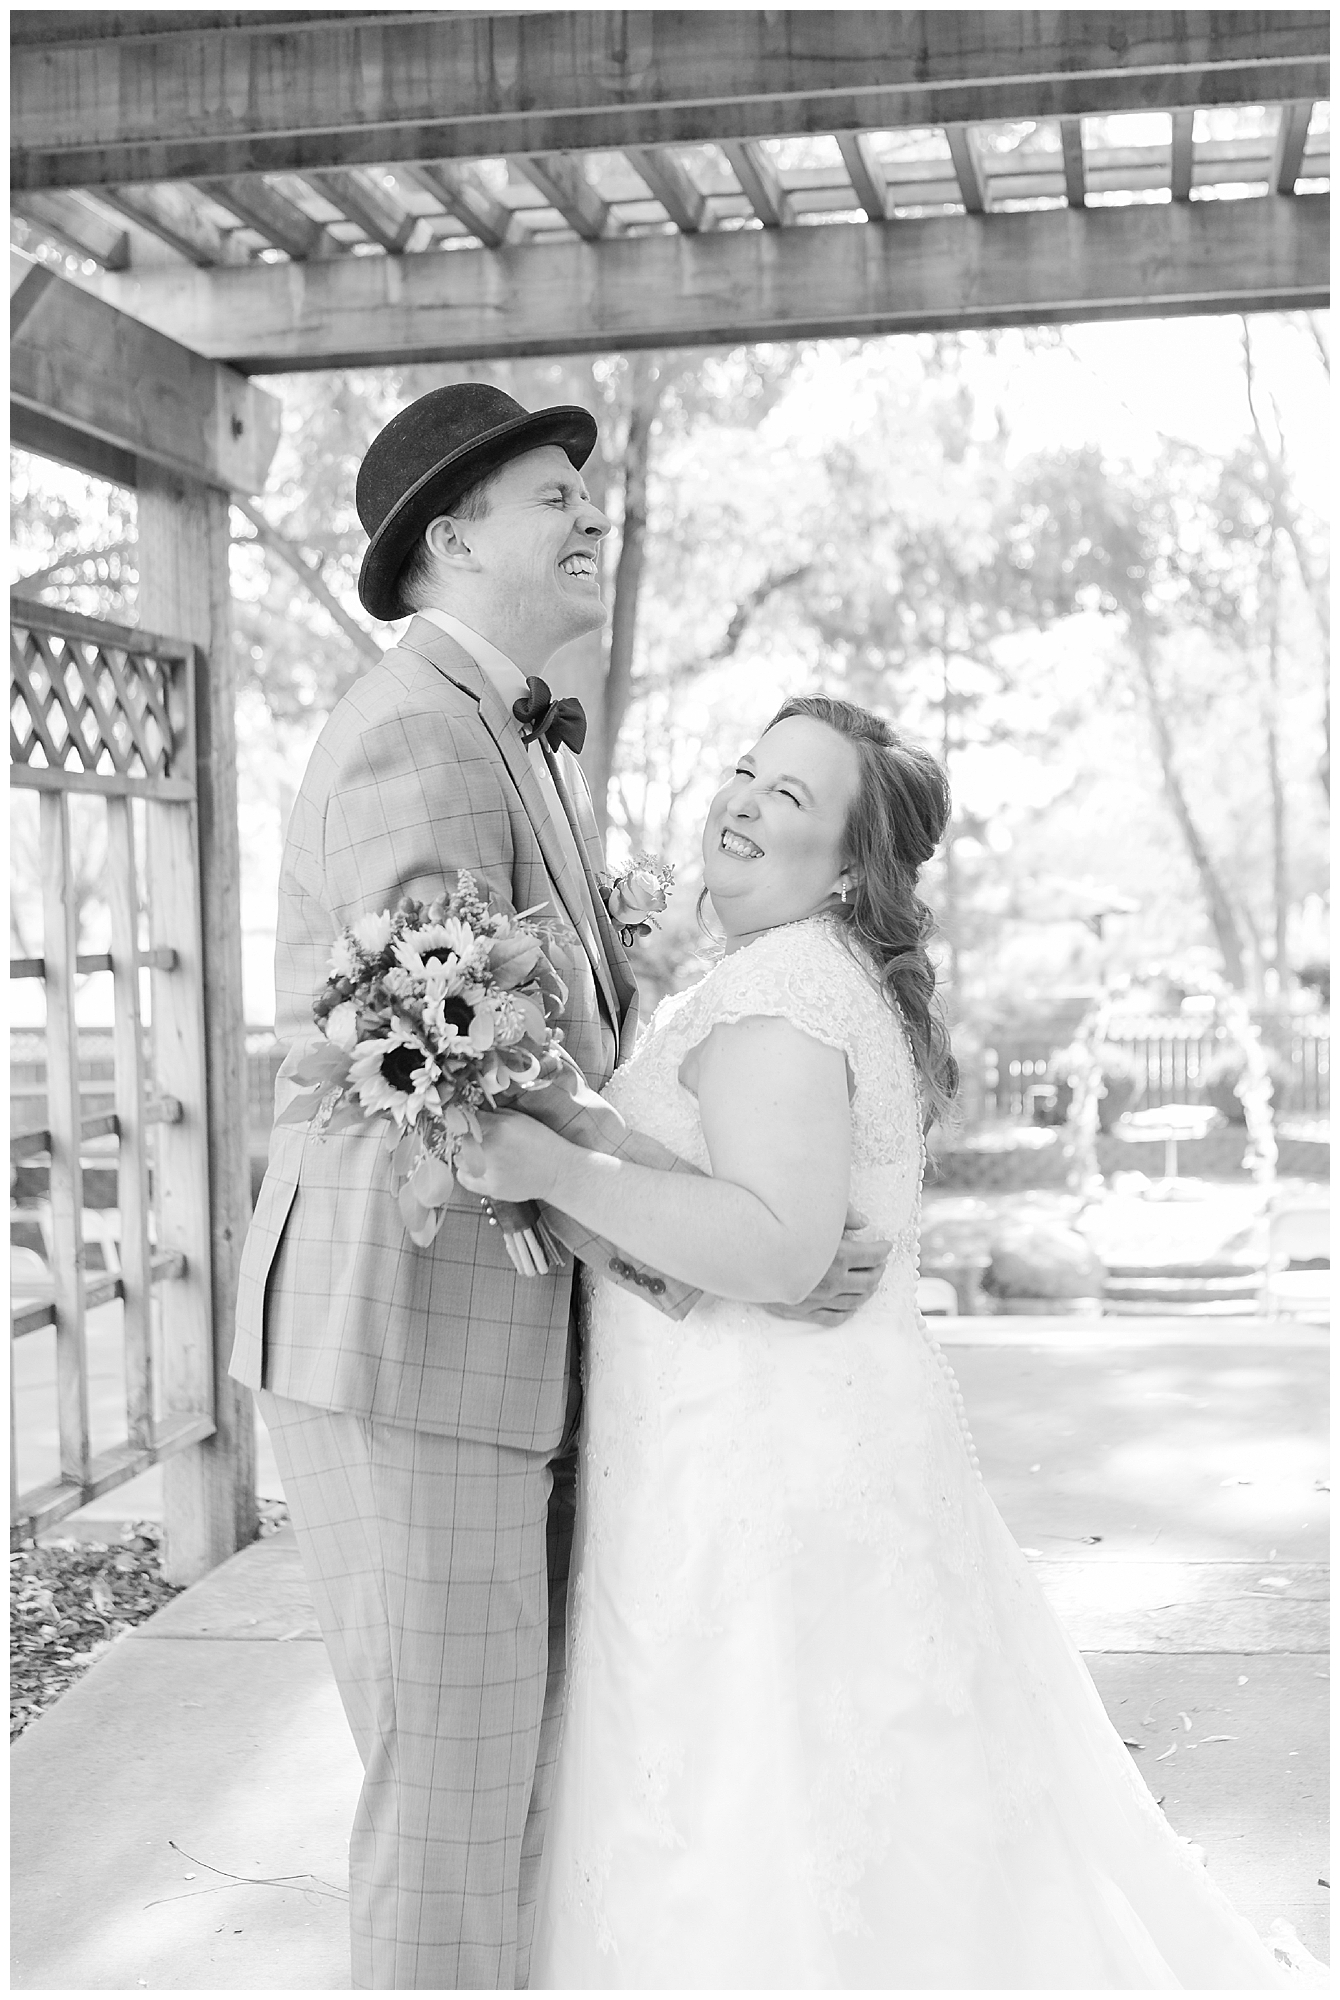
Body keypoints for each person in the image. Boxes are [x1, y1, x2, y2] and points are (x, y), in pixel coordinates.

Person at [456, 693, 1324, 1990]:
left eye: (790, 796)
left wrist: (544, 1164)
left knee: (770, 1813)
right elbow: (720, 1231)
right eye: (747, 770)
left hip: (760, 1480)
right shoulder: (782, 981)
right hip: (782, 1452)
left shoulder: (784, 999)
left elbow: (773, 1250)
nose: (743, 798)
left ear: (851, 868)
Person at [229, 386, 890, 1991]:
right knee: (452, 1820)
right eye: (550, 495)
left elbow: (544, 1048)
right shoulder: (412, 733)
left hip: (474, 1349)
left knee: (498, 1805)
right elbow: (470, 1085)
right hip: (412, 1347)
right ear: (452, 540)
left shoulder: (500, 731)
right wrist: (730, 1252)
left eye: (587, 490)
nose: (592, 513)